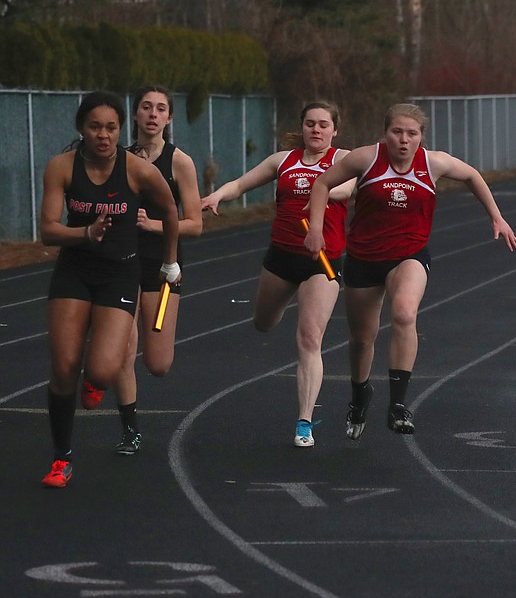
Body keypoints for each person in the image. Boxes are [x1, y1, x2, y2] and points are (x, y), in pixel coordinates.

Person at [304, 102, 516, 440]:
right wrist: (315, 229)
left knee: (405, 313)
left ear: (421, 137)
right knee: (362, 339)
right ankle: (360, 395)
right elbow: (321, 184)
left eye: (411, 134)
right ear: (385, 133)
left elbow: (471, 175)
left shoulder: (433, 163)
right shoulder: (366, 158)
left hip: (409, 254)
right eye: (397, 132)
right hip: (364, 257)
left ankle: (398, 405)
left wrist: (496, 216)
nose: (403, 140)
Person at [39, 90, 181, 487]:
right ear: (81, 129)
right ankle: (61, 458)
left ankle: (94, 381)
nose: (103, 135)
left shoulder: (136, 169)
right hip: (74, 271)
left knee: (101, 372)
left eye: (111, 128)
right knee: (64, 367)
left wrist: (170, 262)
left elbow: (171, 211)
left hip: (120, 274)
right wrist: (85, 233)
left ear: (121, 130)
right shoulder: (62, 167)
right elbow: (47, 230)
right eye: (95, 127)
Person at [201, 102, 355, 447]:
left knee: (310, 339)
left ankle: (304, 422)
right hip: (282, 258)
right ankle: (284, 299)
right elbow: (240, 184)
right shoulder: (283, 160)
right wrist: (217, 195)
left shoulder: (344, 160)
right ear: (302, 127)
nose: (316, 130)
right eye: (310, 123)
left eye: (323, 124)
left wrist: (324, 190)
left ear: (335, 130)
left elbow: (346, 189)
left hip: (322, 261)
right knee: (264, 322)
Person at [80, 86, 202, 455]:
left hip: (164, 267)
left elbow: (195, 224)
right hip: (122, 264)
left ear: (169, 118)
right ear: (134, 114)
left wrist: (155, 226)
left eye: (160, 108)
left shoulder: (180, 162)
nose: (152, 114)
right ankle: (130, 429)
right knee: (123, 349)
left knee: (158, 363)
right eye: (146, 107)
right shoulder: (119, 158)